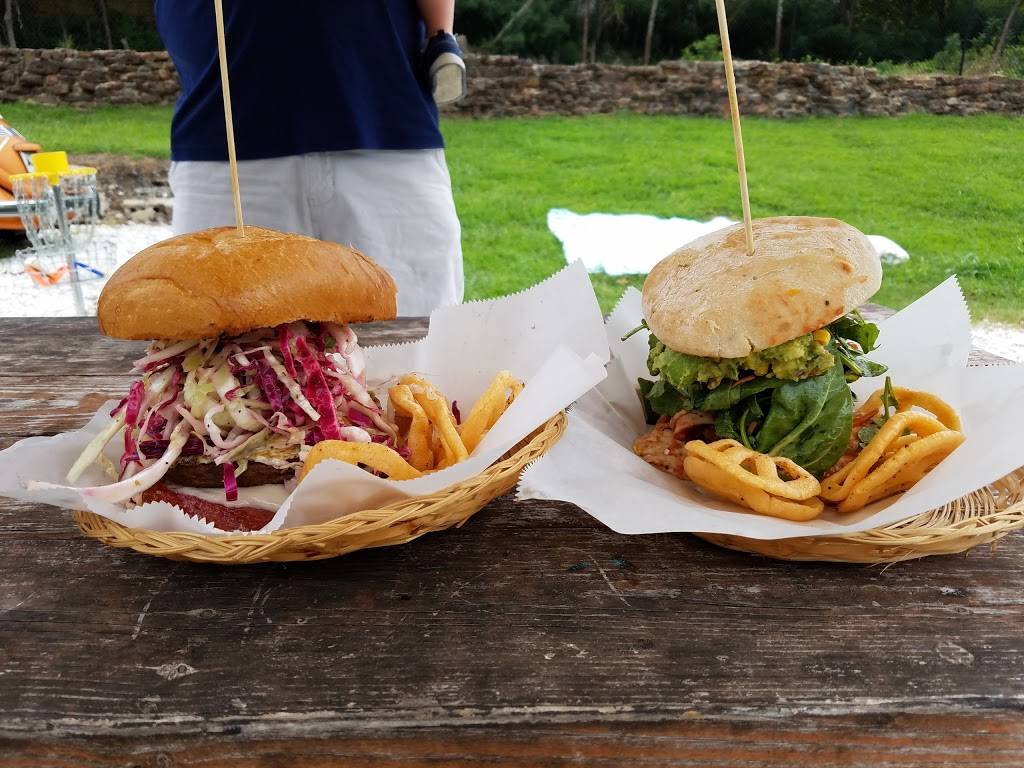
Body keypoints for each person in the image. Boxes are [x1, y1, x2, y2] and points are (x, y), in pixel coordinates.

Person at [154, 0, 466, 316]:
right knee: (221, 340)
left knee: (418, 336)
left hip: (388, 136)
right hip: (226, 150)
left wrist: (440, 35)